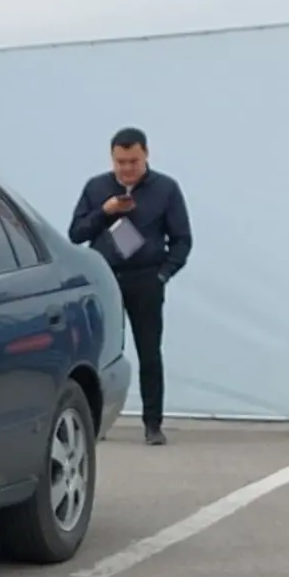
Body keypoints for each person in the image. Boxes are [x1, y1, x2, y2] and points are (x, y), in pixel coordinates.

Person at [68, 127, 193, 446]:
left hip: (146, 279)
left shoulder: (165, 189)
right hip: (106, 279)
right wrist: (104, 212)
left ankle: (153, 424)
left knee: (149, 352)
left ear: (146, 155)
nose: (126, 168)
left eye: (133, 161)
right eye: (120, 161)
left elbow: (182, 240)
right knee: (100, 352)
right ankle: (97, 421)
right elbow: (76, 233)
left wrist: (163, 274)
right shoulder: (97, 188)